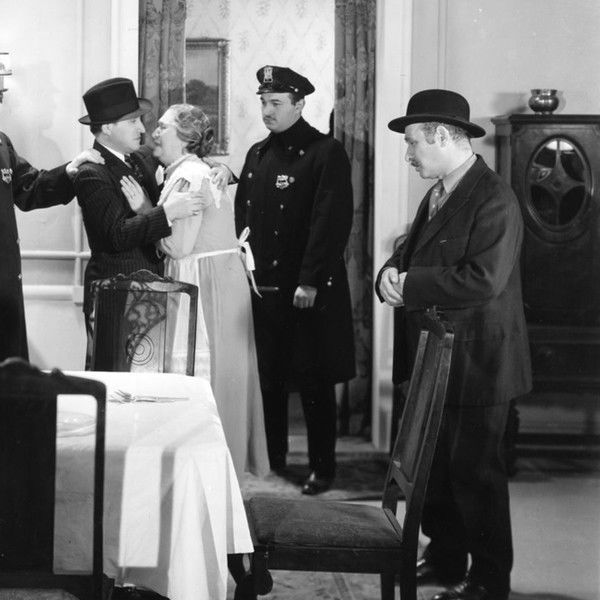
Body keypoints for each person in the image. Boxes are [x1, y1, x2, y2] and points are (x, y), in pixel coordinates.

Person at [375, 89, 532, 600]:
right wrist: (389, 274)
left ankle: (489, 580)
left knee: (476, 475)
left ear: (442, 136)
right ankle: (445, 558)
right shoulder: (442, 190)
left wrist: (410, 285)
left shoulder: (494, 198)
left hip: (479, 362)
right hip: (441, 357)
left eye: (413, 142)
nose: (408, 154)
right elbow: (413, 251)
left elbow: (483, 280)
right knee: (437, 470)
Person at [121, 103, 269, 478]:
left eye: (163, 127)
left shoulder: (189, 177)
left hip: (206, 283)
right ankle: (217, 468)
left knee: (206, 374)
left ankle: (207, 471)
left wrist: (144, 210)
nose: (154, 132)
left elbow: (177, 246)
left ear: (186, 137)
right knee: (221, 373)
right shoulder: (192, 171)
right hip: (217, 279)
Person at [234, 65, 355, 495]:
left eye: (276, 103)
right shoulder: (257, 155)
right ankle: (274, 458)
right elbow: (243, 221)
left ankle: (323, 468)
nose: (267, 110)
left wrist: (310, 280)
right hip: (264, 288)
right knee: (269, 380)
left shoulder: (325, 152)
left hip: (306, 291)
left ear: (300, 104)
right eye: (263, 102)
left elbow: (330, 222)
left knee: (313, 381)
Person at [73, 77, 205, 346]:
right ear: (107, 127)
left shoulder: (138, 158)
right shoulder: (91, 174)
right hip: (116, 296)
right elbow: (117, 236)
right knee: (114, 369)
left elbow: (186, 155)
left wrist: (221, 169)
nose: (142, 128)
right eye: (133, 121)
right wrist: (166, 212)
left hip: (149, 294)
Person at [0, 128, 103, 363]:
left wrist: (69, 172)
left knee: (9, 372)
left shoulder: (2, 141)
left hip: (5, 285)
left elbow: (28, 187)